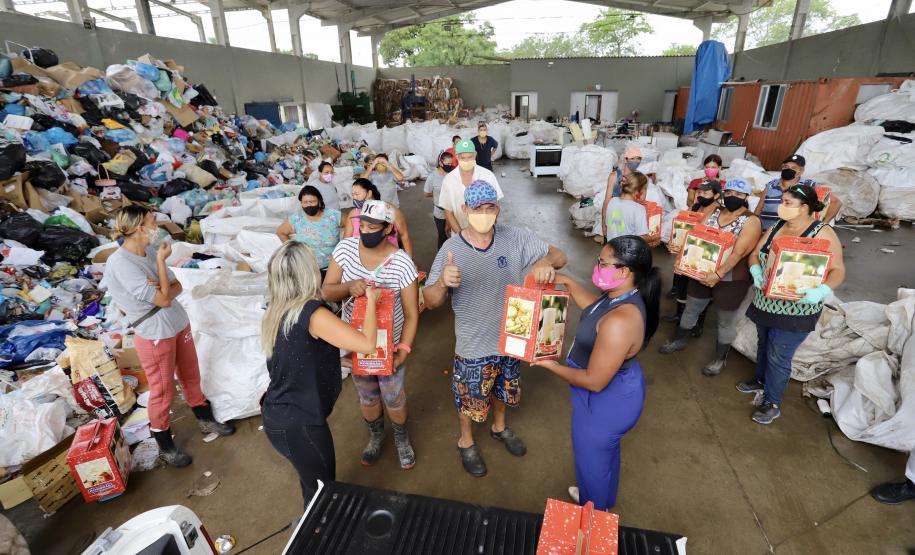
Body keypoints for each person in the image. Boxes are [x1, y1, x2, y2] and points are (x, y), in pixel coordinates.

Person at [424, 181, 568, 477]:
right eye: (477, 208)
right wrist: (441, 282)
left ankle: (499, 428)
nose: (484, 213)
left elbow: (560, 256)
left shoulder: (515, 237)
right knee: (469, 398)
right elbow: (431, 301)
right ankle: (465, 442)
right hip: (474, 344)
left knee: (504, 391)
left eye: (490, 207)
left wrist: (542, 260)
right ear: (465, 210)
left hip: (513, 337)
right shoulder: (451, 250)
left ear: (497, 209)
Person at [534, 235, 659, 510]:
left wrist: (551, 365)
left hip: (605, 403)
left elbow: (594, 382)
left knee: (591, 462)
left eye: (603, 263)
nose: (597, 266)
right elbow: (595, 308)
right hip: (613, 390)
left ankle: (595, 512)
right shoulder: (621, 296)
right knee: (604, 458)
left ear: (624, 271)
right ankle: (599, 495)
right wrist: (566, 281)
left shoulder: (620, 322)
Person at [103, 206, 234, 468]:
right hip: (154, 333)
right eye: (152, 222)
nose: (157, 226)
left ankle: (205, 419)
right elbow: (163, 298)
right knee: (162, 391)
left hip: (177, 322)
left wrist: (162, 282)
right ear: (140, 228)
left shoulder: (149, 251)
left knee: (190, 375)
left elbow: (177, 286)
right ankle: (164, 444)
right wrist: (161, 268)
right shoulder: (121, 263)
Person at [261, 241, 381, 507]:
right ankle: (318, 532)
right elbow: (367, 343)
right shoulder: (312, 313)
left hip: (277, 416)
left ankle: (312, 523)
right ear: (309, 273)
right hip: (301, 425)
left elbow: (298, 355)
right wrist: (372, 301)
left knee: (311, 483)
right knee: (324, 493)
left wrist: (338, 362)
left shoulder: (278, 310)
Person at [323, 200, 420, 469]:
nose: (365, 231)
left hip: (390, 347)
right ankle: (376, 437)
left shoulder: (402, 264)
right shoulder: (345, 250)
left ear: (388, 228)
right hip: (356, 345)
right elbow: (326, 291)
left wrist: (404, 350)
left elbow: (412, 314)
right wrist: (349, 286)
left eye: (373, 227)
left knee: (393, 396)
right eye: (362, 225)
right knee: (367, 395)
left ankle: (401, 440)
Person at [738, 184, 845, 424]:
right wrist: (755, 269)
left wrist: (822, 291)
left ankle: (772, 402)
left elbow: (838, 270)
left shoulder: (822, 232)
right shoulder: (777, 227)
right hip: (766, 302)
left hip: (798, 309)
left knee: (779, 354)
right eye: (782, 201)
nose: (781, 207)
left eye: (787, 203)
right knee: (764, 343)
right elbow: (755, 253)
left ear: (805, 207)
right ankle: (760, 380)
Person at [658, 179, 762, 376]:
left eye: (739, 195)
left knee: (725, 320)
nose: (733, 197)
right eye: (730, 193)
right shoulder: (714, 212)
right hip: (702, 272)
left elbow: (738, 253)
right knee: (691, 308)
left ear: (746, 197)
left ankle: (719, 359)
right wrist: (681, 255)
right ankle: (679, 340)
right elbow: (696, 236)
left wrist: (719, 273)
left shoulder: (751, 221)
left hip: (731, 278)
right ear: (723, 193)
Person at [665, 179, 723, 328]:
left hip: (706, 257)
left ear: (716, 195)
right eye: (699, 192)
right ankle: (679, 315)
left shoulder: (720, 212)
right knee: (682, 285)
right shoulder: (696, 206)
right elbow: (685, 227)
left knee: (700, 292)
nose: (701, 195)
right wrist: (676, 241)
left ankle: (698, 324)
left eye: (705, 192)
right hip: (688, 253)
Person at [438, 139, 505, 234]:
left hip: (486, 233)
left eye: (470, 157)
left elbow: (496, 205)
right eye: (463, 158)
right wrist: (460, 236)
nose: (466, 160)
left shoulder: (487, 175)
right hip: (459, 232)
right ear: (456, 157)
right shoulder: (449, 180)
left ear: (475, 155)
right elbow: (448, 211)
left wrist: (487, 227)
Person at [276, 186, 341, 280]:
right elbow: (280, 232)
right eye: (305, 202)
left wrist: (345, 243)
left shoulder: (333, 215)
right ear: (301, 203)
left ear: (319, 201)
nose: (309, 205)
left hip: (333, 269)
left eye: (312, 201)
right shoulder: (296, 219)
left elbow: (350, 223)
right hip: (307, 270)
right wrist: (292, 248)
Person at [344, 178, 413, 258]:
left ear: (369, 193)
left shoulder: (390, 210)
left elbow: (404, 235)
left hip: (389, 260)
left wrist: (410, 261)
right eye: (353, 195)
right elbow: (346, 241)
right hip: (360, 261)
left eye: (357, 194)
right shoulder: (353, 214)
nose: (354, 198)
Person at [602, 172, 659, 246]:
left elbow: (609, 225)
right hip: (627, 253)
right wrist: (655, 237)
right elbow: (640, 238)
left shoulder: (612, 201)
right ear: (640, 191)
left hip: (611, 249)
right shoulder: (639, 209)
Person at [424, 151, 453, 249]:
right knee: (442, 235)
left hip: (453, 211)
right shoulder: (433, 176)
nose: (449, 166)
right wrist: (438, 194)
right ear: (441, 163)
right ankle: (442, 257)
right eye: (447, 164)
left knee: (453, 235)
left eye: (451, 164)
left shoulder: (453, 174)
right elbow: (426, 193)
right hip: (439, 212)